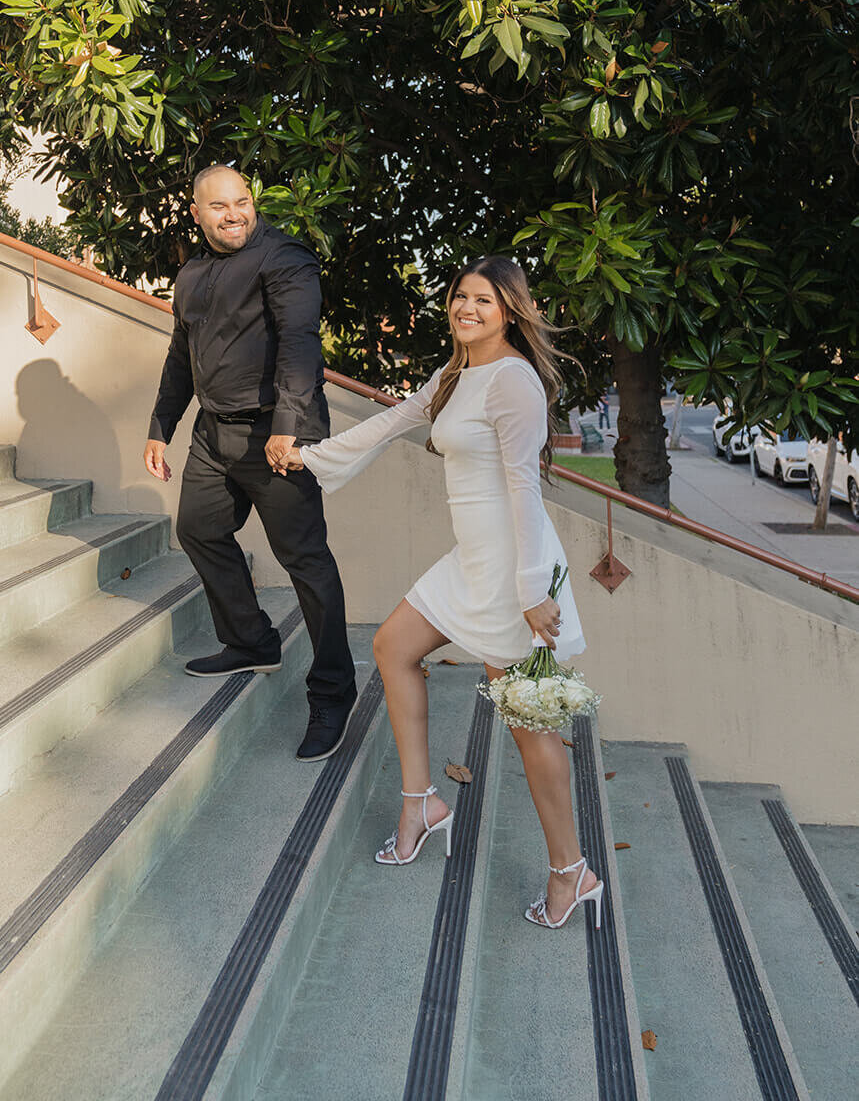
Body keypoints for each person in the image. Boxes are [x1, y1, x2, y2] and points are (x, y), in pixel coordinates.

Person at [284, 256, 603, 928]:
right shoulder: (457, 372)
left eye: (483, 300)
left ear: (509, 310)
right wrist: (309, 457)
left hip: (510, 568)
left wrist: (526, 591)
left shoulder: (512, 381)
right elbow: (393, 419)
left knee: (529, 728)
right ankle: (420, 803)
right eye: (460, 296)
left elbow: (522, 486)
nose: (466, 308)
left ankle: (570, 871)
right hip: (470, 559)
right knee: (393, 647)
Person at [143, 165, 357, 761]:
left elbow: (299, 341)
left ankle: (335, 691)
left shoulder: (284, 258)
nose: (234, 213)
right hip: (216, 434)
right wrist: (162, 427)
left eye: (242, 202)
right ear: (197, 212)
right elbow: (180, 357)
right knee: (198, 530)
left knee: (305, 562)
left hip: (277, 433)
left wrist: (288, 427)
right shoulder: (190, 275)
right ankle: (251, 641)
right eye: (219, 205)